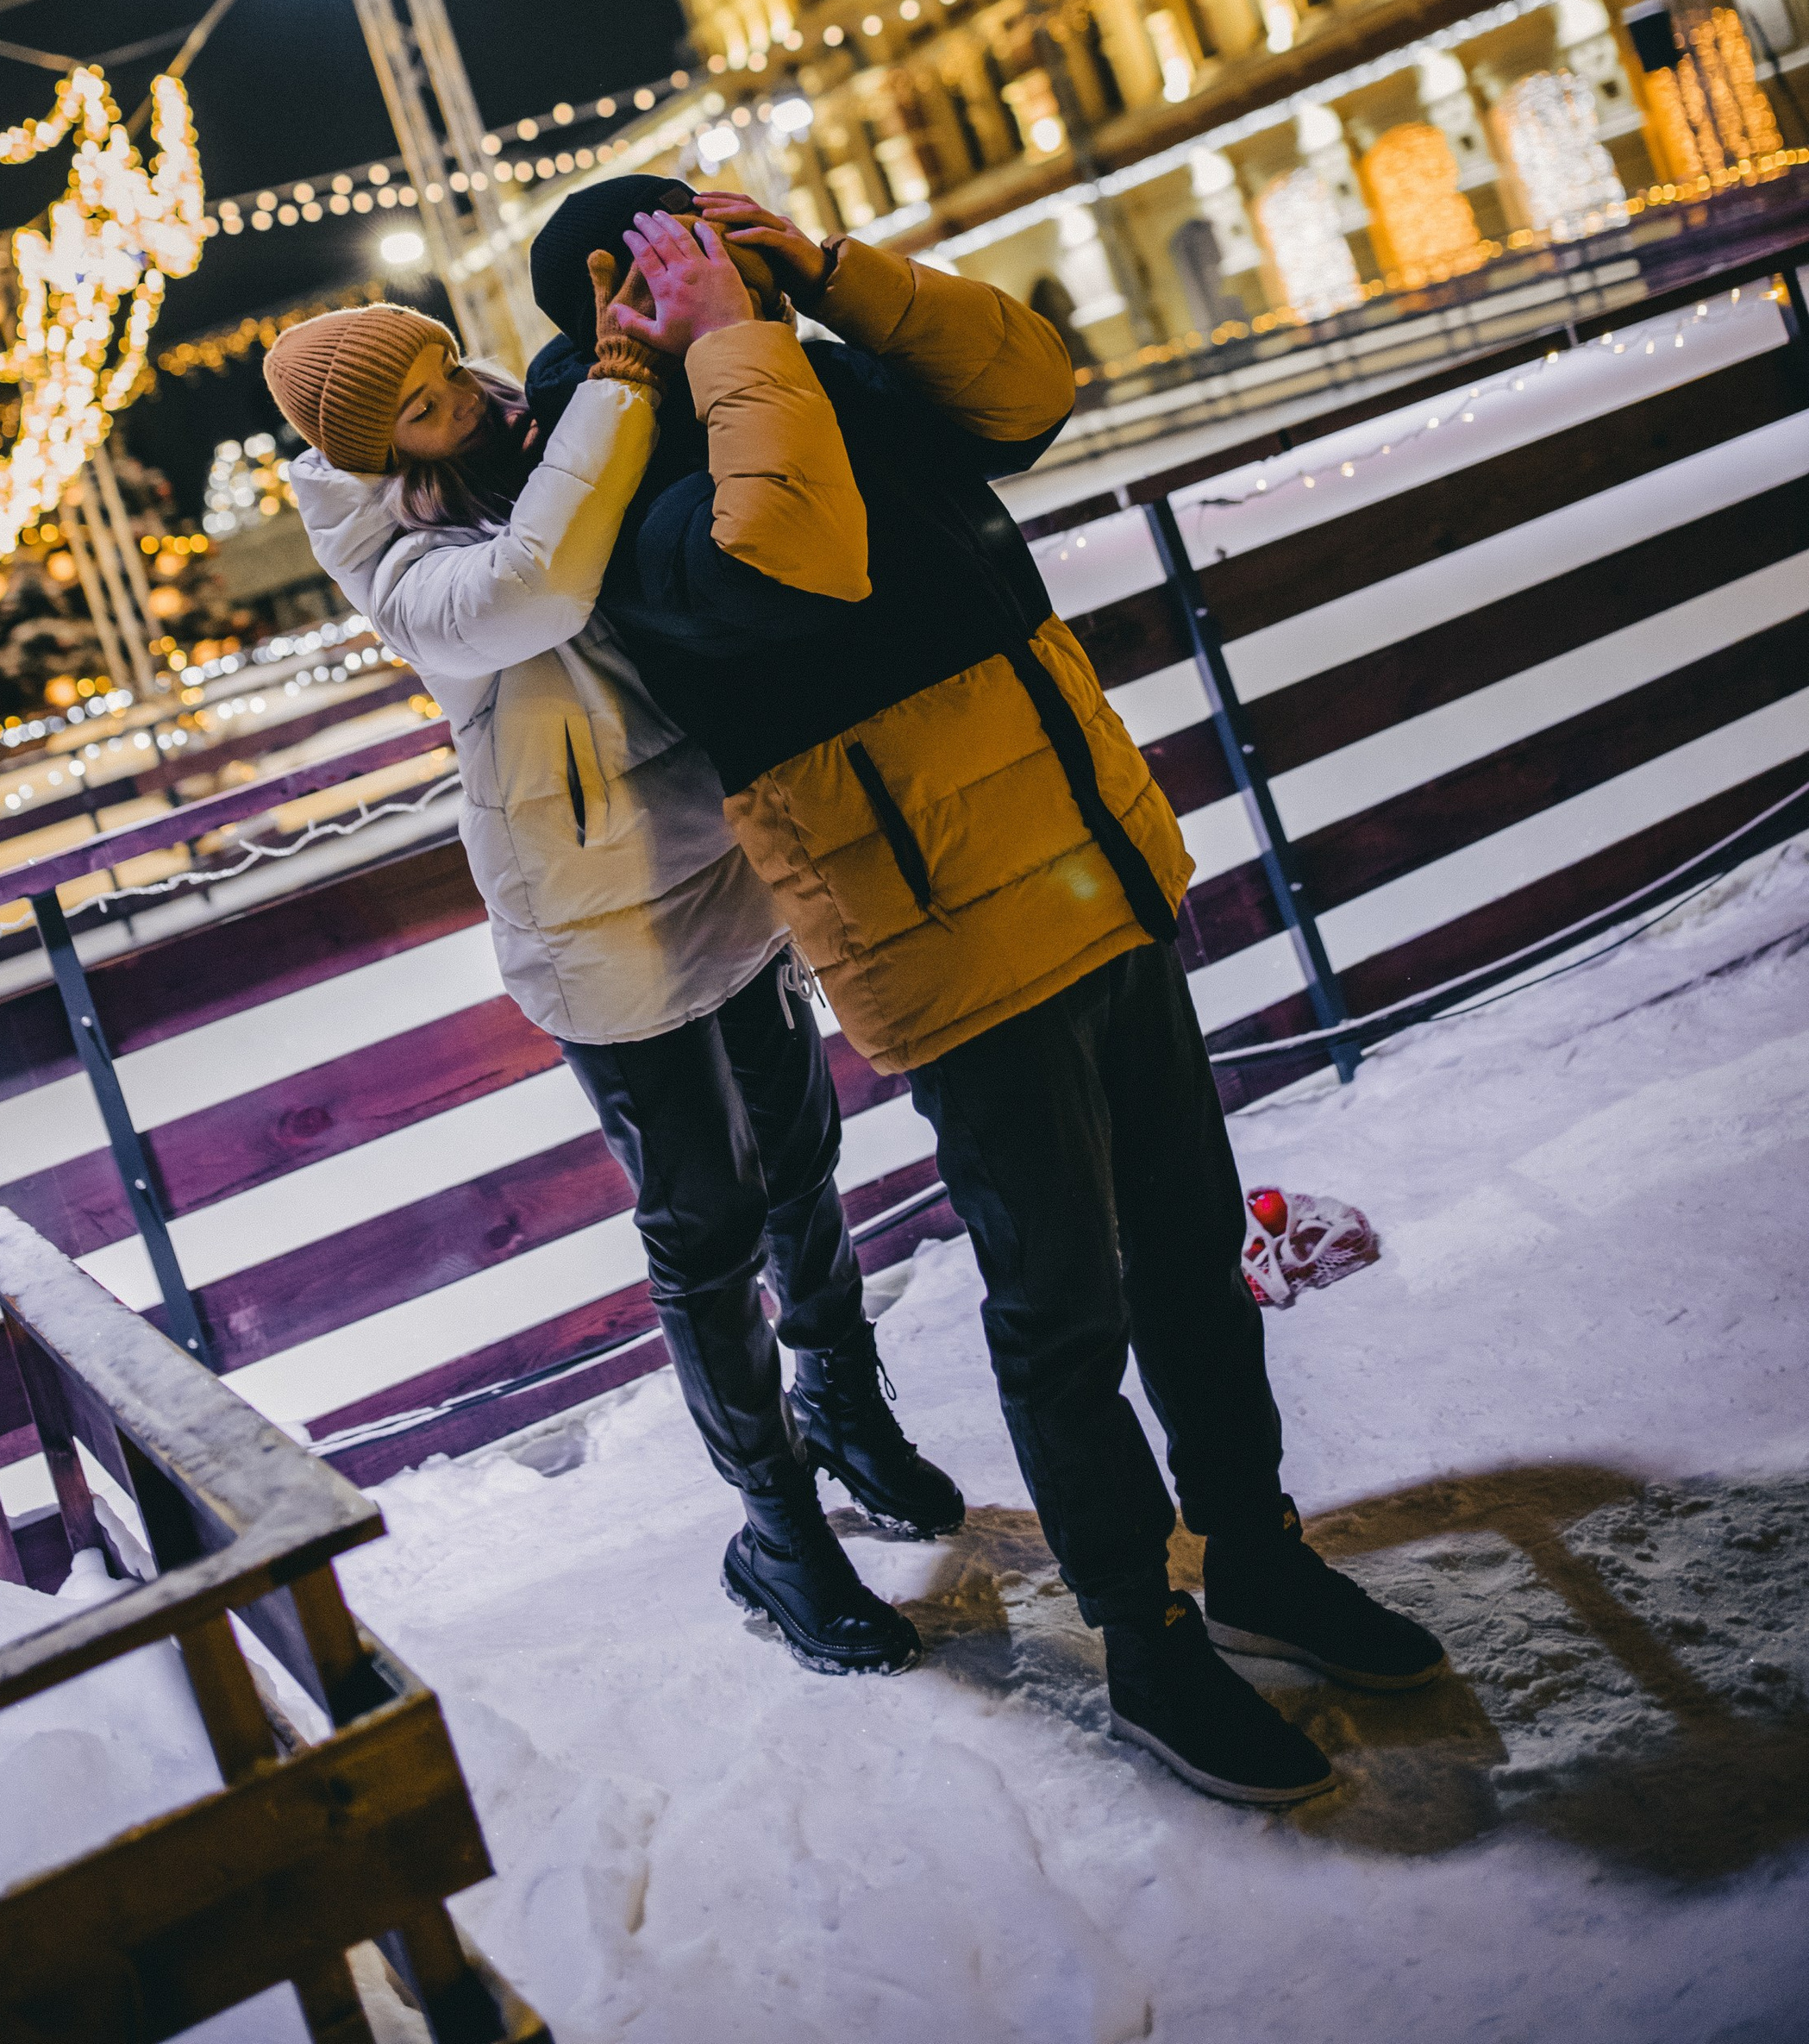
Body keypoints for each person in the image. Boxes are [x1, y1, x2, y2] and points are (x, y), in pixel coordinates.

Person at [529, 180, 1446, 1808]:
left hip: (1089, 865)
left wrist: (831, 275)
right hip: (948, 934)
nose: (720, 273)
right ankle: (1145, 1640)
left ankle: (1253, 1553)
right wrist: (737, 347)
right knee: (1061, 1312)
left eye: (725, 240)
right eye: (679, 260)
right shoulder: (622, 500)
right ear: (620, 302)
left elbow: (1029, 386)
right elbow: (791, 559)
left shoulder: (813, 359)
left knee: (1192, 1260)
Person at [264, 273, 961, 1681]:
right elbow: (538, 583)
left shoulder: (533, 430)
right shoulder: (406, 575)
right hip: (594, 912)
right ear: (372, 453)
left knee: (801, 1154)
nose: (462, 398)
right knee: (701, 1220)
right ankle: (777, 1531)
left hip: (721, 858)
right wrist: (622, 389)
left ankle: (841, 1402)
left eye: (448, 368)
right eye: (419, 405)